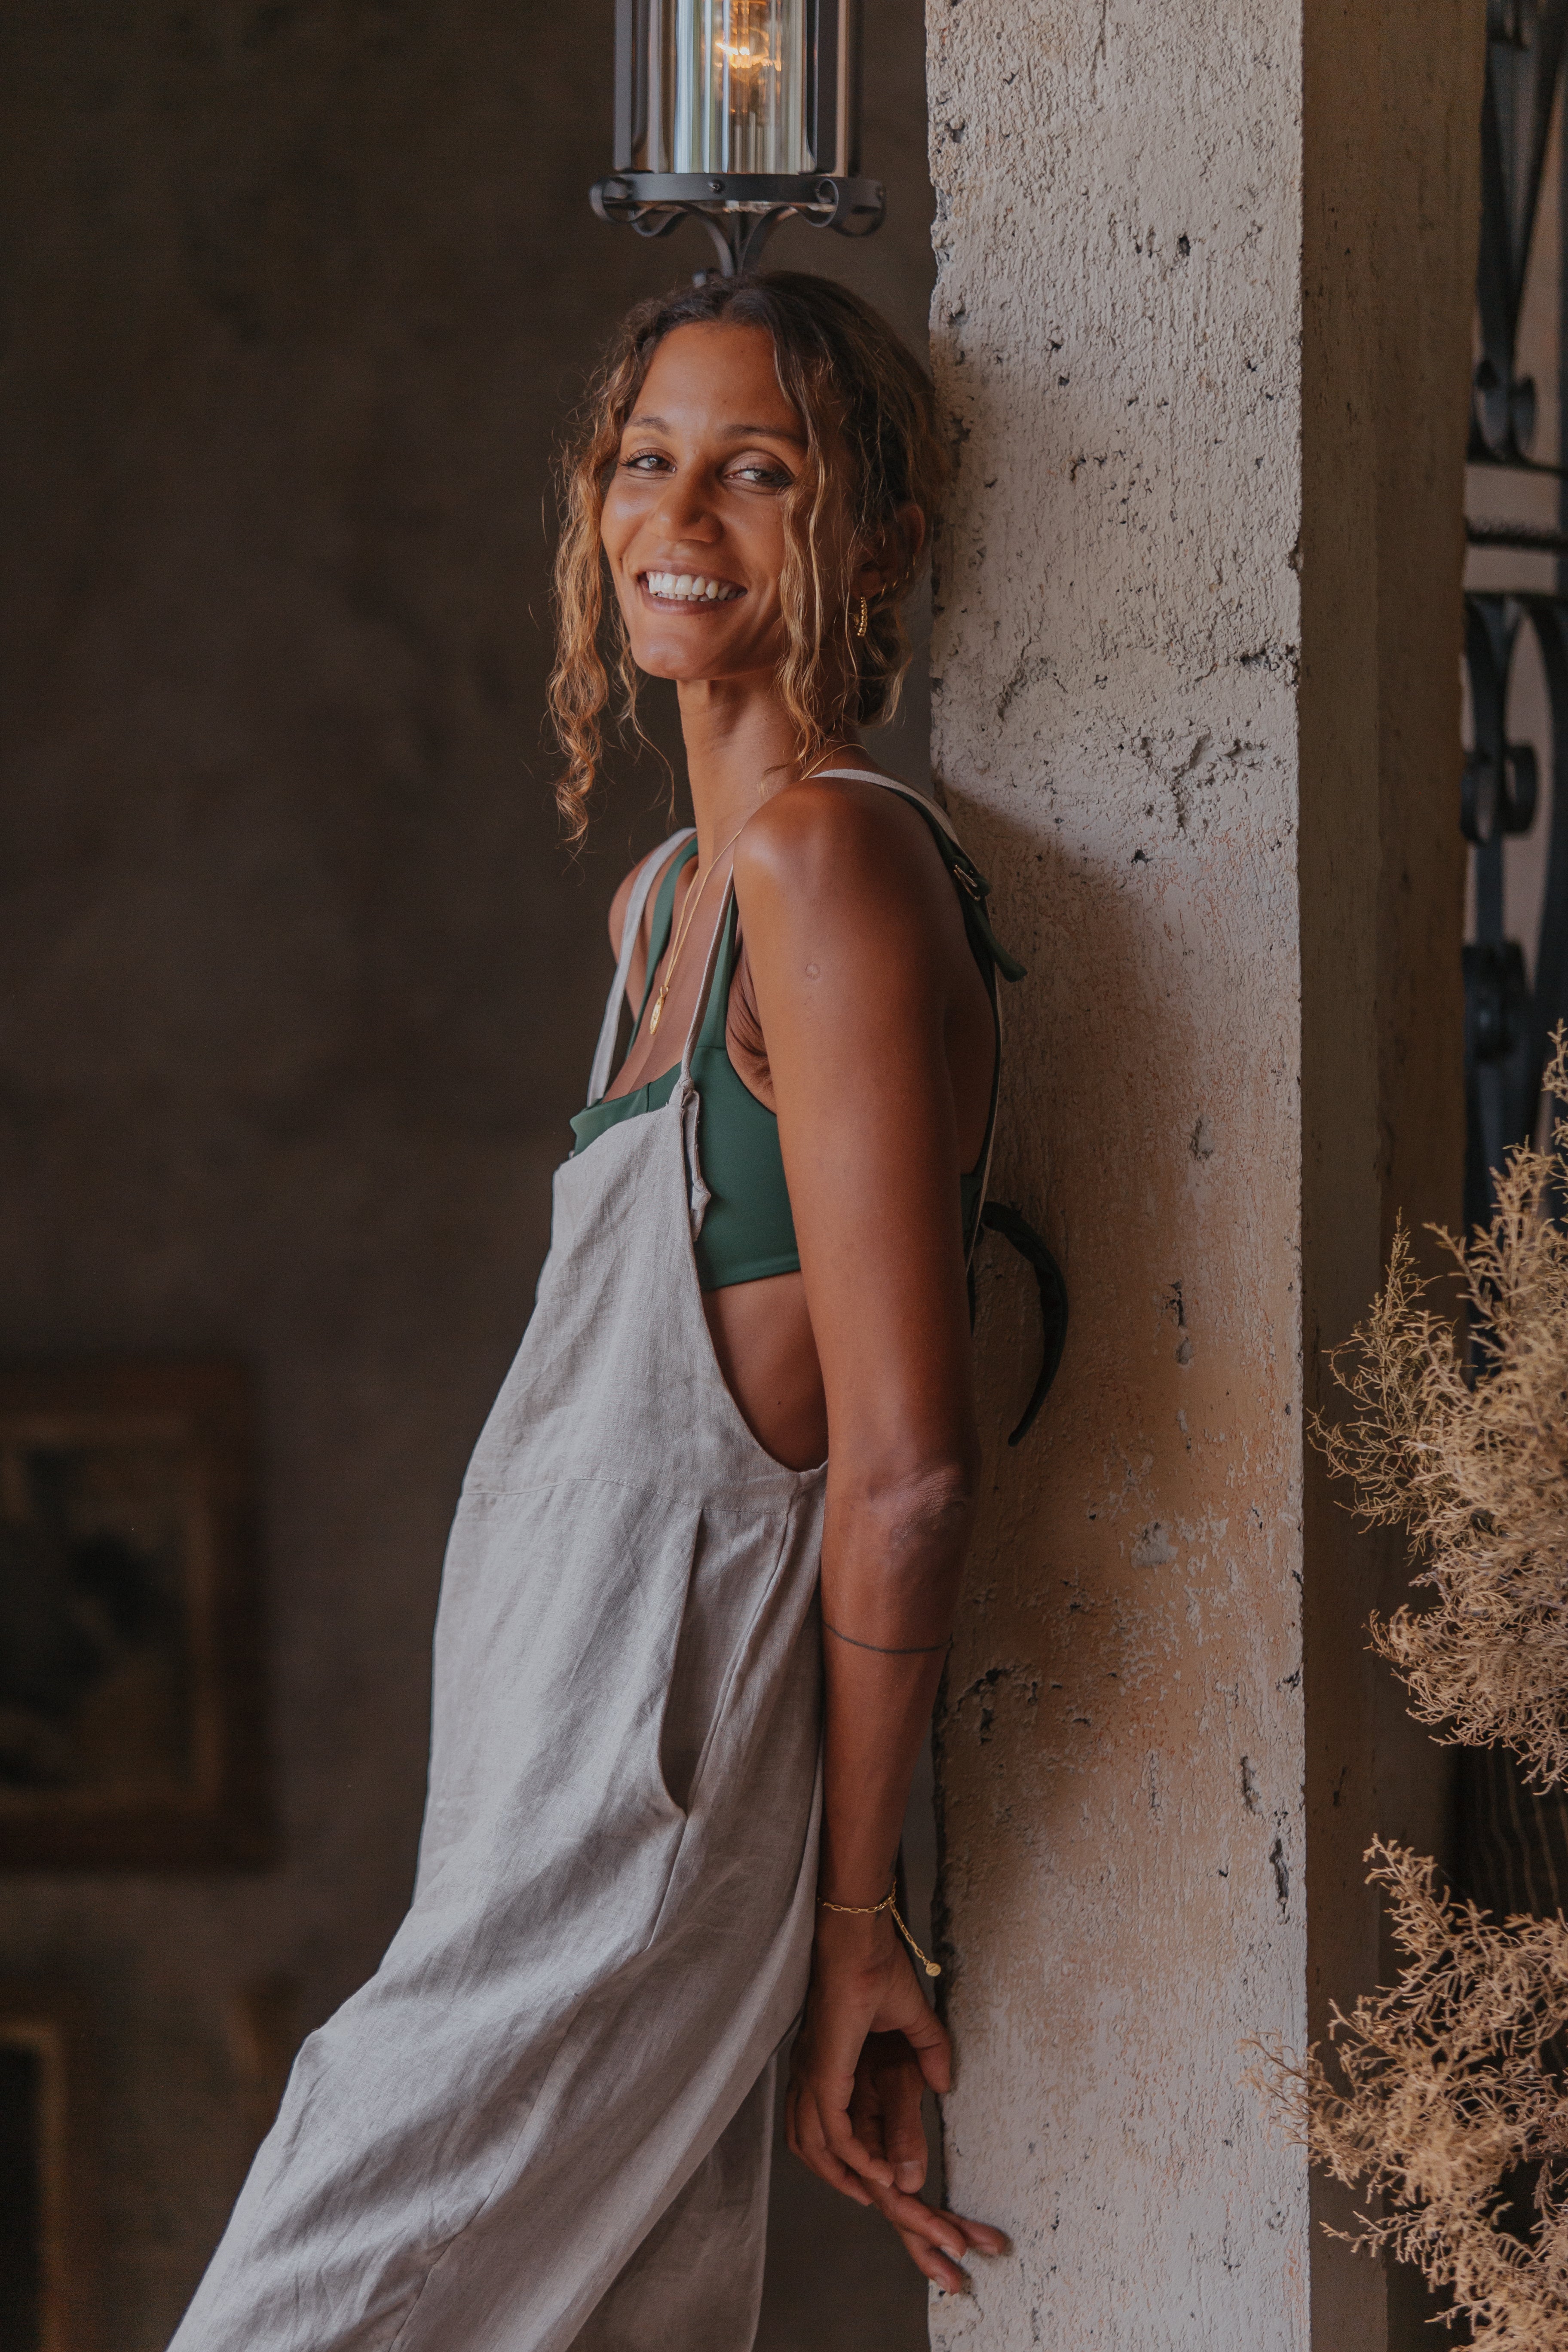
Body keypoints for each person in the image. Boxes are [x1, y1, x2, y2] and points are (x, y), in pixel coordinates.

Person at [169, 269, 1013, 2352]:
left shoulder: (832, 872)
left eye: (760, 471)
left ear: (875, 541)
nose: (681, 517)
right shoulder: (663, 907)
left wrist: (852, 1920)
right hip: (532, 1785)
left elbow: (900, 1468)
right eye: (648, 461)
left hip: (643, 1802)